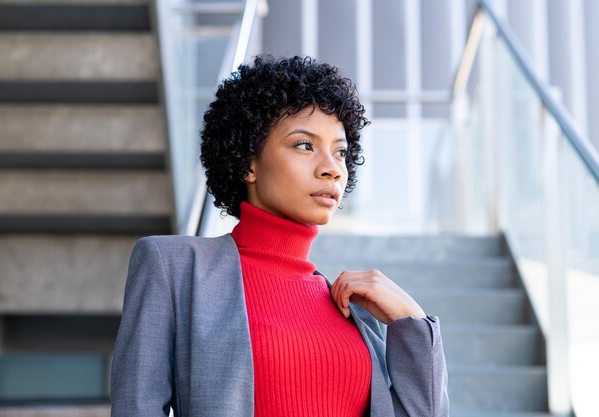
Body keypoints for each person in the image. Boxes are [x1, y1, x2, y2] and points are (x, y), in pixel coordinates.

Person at [110, 55, 449, 417]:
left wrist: (410, 321)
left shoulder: (355, 313)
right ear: (248, 162)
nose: (332, 168)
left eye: (341, 152)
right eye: (305, 145)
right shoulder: (174, 267)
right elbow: (137, 407)